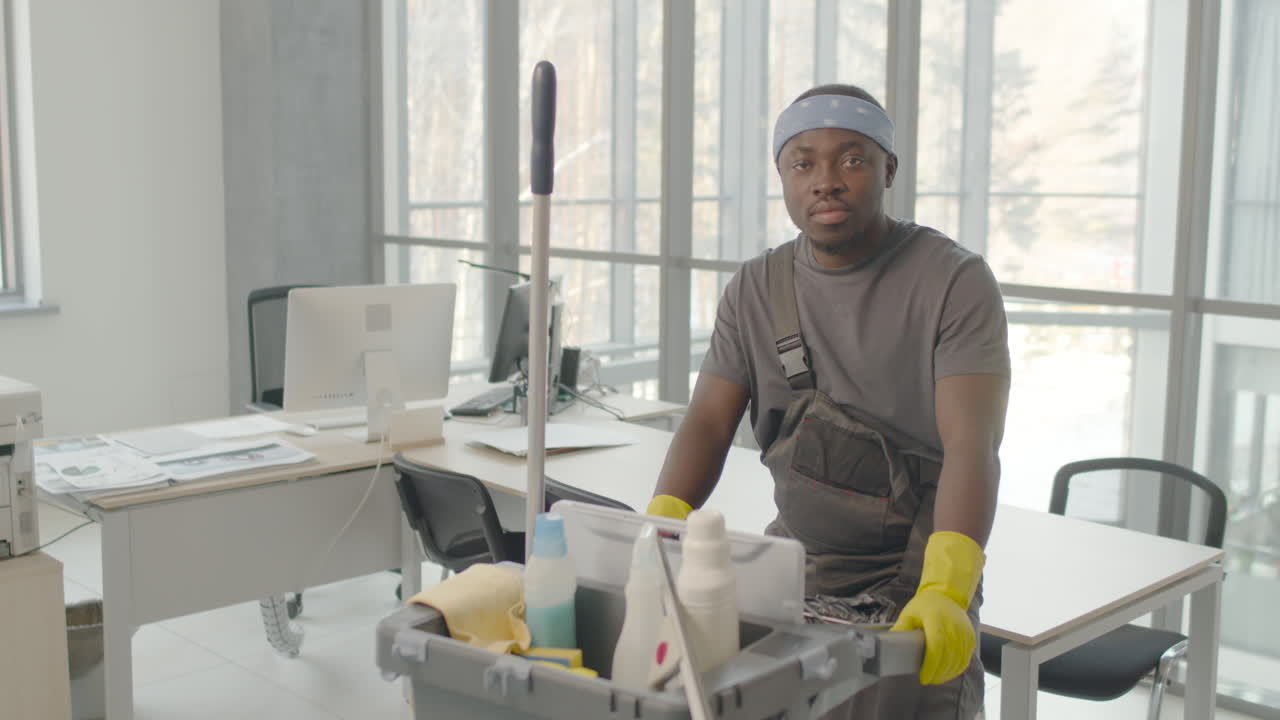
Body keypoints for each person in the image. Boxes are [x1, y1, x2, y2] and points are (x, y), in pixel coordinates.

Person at [646, 84, 1010, 719]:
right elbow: (707, 422)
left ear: (888, 168)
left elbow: (970, 446)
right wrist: (658, 529)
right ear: (783, 177)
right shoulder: (757, 287)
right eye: (803, 162)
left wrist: (948, 587)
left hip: (916, 581)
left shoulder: (953, 281)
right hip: (796, 571)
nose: (826, 181)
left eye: (852, 159)